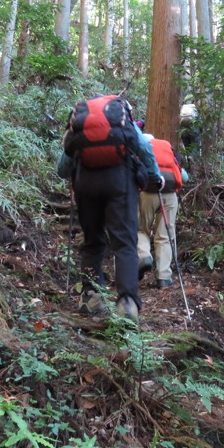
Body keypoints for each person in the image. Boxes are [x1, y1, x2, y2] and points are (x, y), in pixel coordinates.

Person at [58, 97, 163, 324]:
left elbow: (62, 167)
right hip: (119, 181)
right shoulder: (123, 123)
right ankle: (127, 303)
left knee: (92, 242)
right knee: (124, 242)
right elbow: (144, 147)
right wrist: (156, 178)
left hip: (85, 184)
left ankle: (90, 297)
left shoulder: (79, 128)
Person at [136, 133, 189, 288]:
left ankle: (144, 256)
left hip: (147, 194)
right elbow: (184, 177)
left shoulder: (140, 150)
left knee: (141, 229)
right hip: (170, 195)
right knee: (165, 235)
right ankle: (163, 277)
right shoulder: (169, 150)